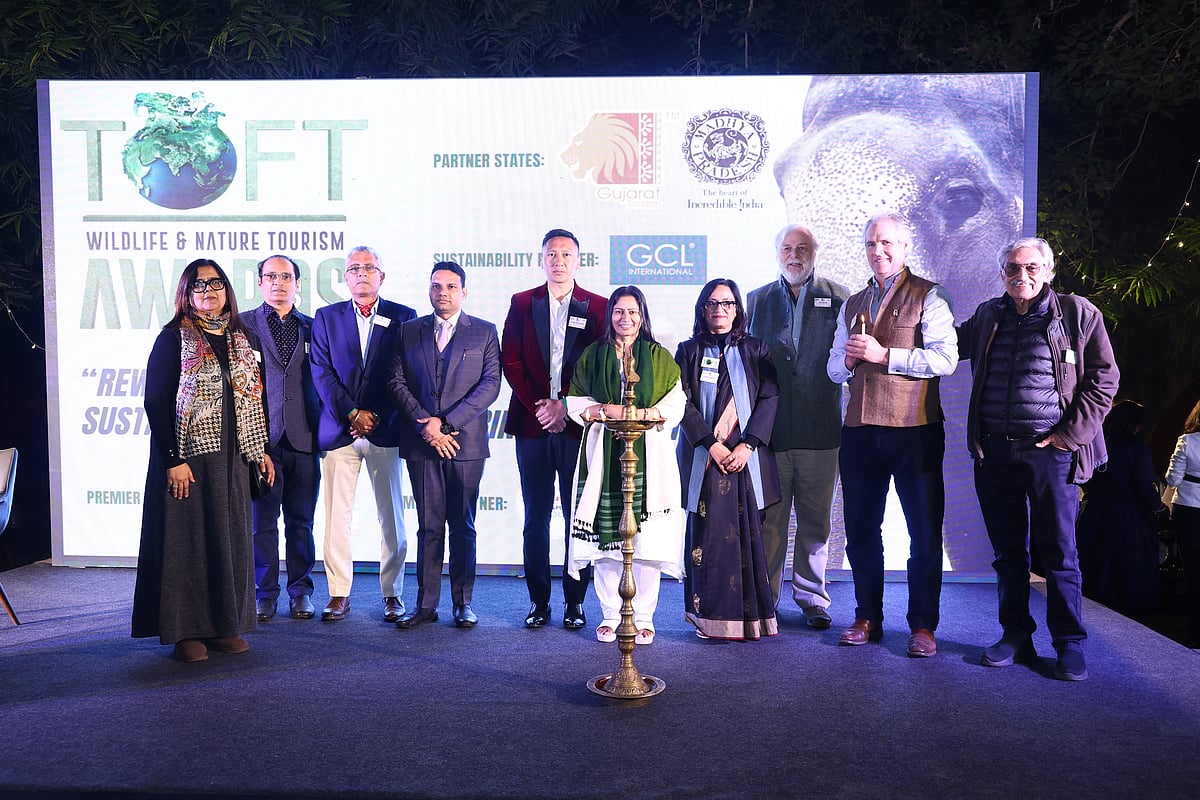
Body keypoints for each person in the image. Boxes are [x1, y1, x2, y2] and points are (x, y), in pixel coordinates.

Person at [959, 236, 1118, 681]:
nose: (1021, 275)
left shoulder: (1077, 314)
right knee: (1008, 553)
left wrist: (1069, 437)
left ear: (1048, 271)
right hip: (994, 452)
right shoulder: (989, 314)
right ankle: (1016, 636)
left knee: (1059, 553)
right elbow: (947, 346)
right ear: (1002, 272)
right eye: (1013, 267)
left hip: (1050, 454)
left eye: (1031, 268)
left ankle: (1069, 643)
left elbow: (1105, 380)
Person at [826, 211, 958, 658]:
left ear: (905, 247)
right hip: (860, 431)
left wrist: (886, 355)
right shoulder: (852, 303)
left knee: (924, 533)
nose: (877, 252)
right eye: (870, 244)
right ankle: (867, 617)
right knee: (862, 529)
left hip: (915, 430)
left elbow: (945, 360)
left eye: (886, 243)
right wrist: (846, 362)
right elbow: (831, 369)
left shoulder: (930, 296)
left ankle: (922, 625)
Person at [132, 259, 275, 663]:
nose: (209, 291)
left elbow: (256, 399)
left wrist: (260, 449)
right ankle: (186, 632)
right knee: (188, 541)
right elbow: (156, 401)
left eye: (216, 283)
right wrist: (173, 460)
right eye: (199, 285)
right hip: (187, 460)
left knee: (227, 535)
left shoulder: (243, 338)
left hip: (233, 457)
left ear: (227, 289)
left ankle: (223, 625)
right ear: (186, 294)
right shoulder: (173, 338)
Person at [565, 286, 685, 645]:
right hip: (604, 456)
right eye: (619, 311)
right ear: (610, 316)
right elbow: (575, 401)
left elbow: (676, 403)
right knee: (607, 539)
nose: (625, 318)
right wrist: (606, 411)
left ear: (642, 316)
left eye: (633, 312)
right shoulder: (594, 354)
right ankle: (608, 614)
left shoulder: (659, 356)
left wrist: (644, 414)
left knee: (644, 540)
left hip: (651, 453)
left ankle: (644, 616)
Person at [501, 229, 607, 631]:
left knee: (579, 517)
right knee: (536, 516)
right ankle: (539, 601)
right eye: (551, 254)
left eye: (566, 254)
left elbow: (598, 366)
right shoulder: (522, 302)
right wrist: (542, 407)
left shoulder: (597, 307)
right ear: (541, 259)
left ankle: (575, 602)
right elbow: (511, 360)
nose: (558, 261)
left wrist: (565, 406)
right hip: (532, 424)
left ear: (578, 261)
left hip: (576, 427)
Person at [746, 223, 850, 628]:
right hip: (770, 435)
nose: (794, 255)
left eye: (802, 248)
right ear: (777, 254)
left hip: (822, 431)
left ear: (814, 252)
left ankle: (811, 596)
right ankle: (765, 598)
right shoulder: (755, 301)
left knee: (815, 520)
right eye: (787, 248)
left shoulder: (841, 298)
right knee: (770, 521)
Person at [389, 262, 501, 629]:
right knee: (429, 526)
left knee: (463, 525)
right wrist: (427, 426)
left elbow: (490, 386)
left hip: (465, 444)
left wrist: (448, 424)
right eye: (437, 286)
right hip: (422, 443)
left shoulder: (484, 332)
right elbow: (396, 382)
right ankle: (425, 605)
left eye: (451, 286)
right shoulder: (408, 331)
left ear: (463, 292)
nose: (443, 293)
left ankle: (463, 603)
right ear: (429, 290)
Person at [310, 246, 416, 622]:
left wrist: (376, 415)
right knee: (337, 517)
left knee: (392, 518)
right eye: (354, 268)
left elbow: (404, 374)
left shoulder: (404, 317)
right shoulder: (326, 317)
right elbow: (321, 371)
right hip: (340, 430)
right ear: (346, 277)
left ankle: (393, 594)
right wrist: (352, 413)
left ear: (381, 276)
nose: (361, 274)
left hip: (385, 430)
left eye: (369, 267)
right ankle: (339, 593)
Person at [676, 279, 781, 640]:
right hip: (706, 459)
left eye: (727, 303)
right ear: (702, 309)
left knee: (749, 538)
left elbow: (770, 398)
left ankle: (752, 621)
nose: (719, 310)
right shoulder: (687, 351)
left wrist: (747, 445)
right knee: (707, 539)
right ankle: (709, 620)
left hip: (746, 460)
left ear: (737, 309)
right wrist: (712, 445)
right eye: (711, 304)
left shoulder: (757, 349)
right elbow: (682, 403)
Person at [243, 255, 322, 621]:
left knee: (301, 522)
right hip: (263, 442)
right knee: (262, 524)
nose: (278, 283)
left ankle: (301, 590)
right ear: (260, 283)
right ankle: (265, 592)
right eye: (271, 276)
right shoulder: (242, 325)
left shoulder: (314, 326)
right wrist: (253, 442)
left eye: (286, 276)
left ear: (298, 283)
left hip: (305, 439)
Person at [1077, 400, 1162, 613]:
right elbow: (1143, 485)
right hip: (1129, 515)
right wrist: (1158, 506)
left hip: (1096, 511)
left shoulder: (1096, 444)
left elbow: (1084, 476)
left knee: (1096, 565)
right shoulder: (1137, 449)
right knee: (1126, 569)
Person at [1166, 399, 1200, 647]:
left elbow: (1173, 478)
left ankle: (1196, 632)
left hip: (1189, 509)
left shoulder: (1187, 441)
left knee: (1193, 570)